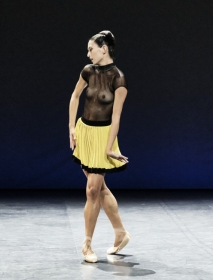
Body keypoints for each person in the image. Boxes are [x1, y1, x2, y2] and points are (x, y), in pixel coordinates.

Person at [68, 30, 131, 263]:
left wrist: (109, 147)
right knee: (99, 187)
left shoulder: (119, 79)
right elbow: (75, 97)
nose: (88, 53)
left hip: (104, 136)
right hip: (85, 133)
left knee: (93, 190)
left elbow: (116, 118)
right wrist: (72, 128)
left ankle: (86, 245)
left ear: (104, 49)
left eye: (91, 48)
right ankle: (121, 233)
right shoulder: (87, 71)